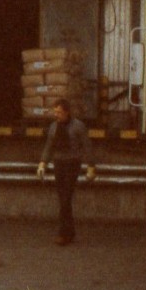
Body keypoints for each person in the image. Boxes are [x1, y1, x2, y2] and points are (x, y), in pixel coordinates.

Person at [37, 98, 95, 246]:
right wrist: (43, 163)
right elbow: (49, 145)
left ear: (67, 112)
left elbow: (87, 146)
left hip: (72, 164)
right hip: (59, 164)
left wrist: (91, 166)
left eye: (59, 112)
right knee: (63, 198)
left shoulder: (78, 126)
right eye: (55, 112)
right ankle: (70, 232)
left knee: (66, 197)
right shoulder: (53, 127)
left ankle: (63, 234)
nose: (56, 115)